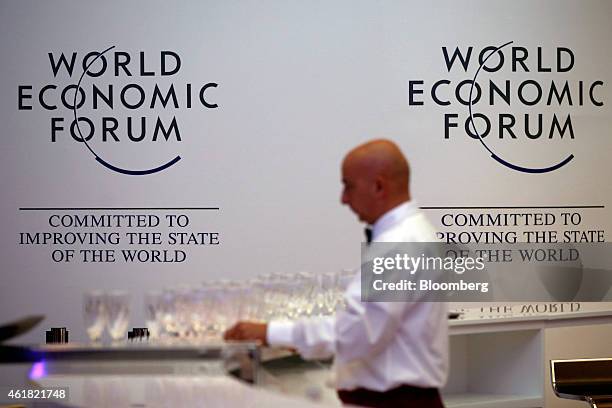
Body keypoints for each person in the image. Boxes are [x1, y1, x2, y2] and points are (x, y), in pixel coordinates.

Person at [224, 139, 448, 407]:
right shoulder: (413, 233)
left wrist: (270, 332)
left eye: (348, 186)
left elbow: (355, 334)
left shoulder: (398, 244)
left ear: (379, 186)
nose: (343, 199)